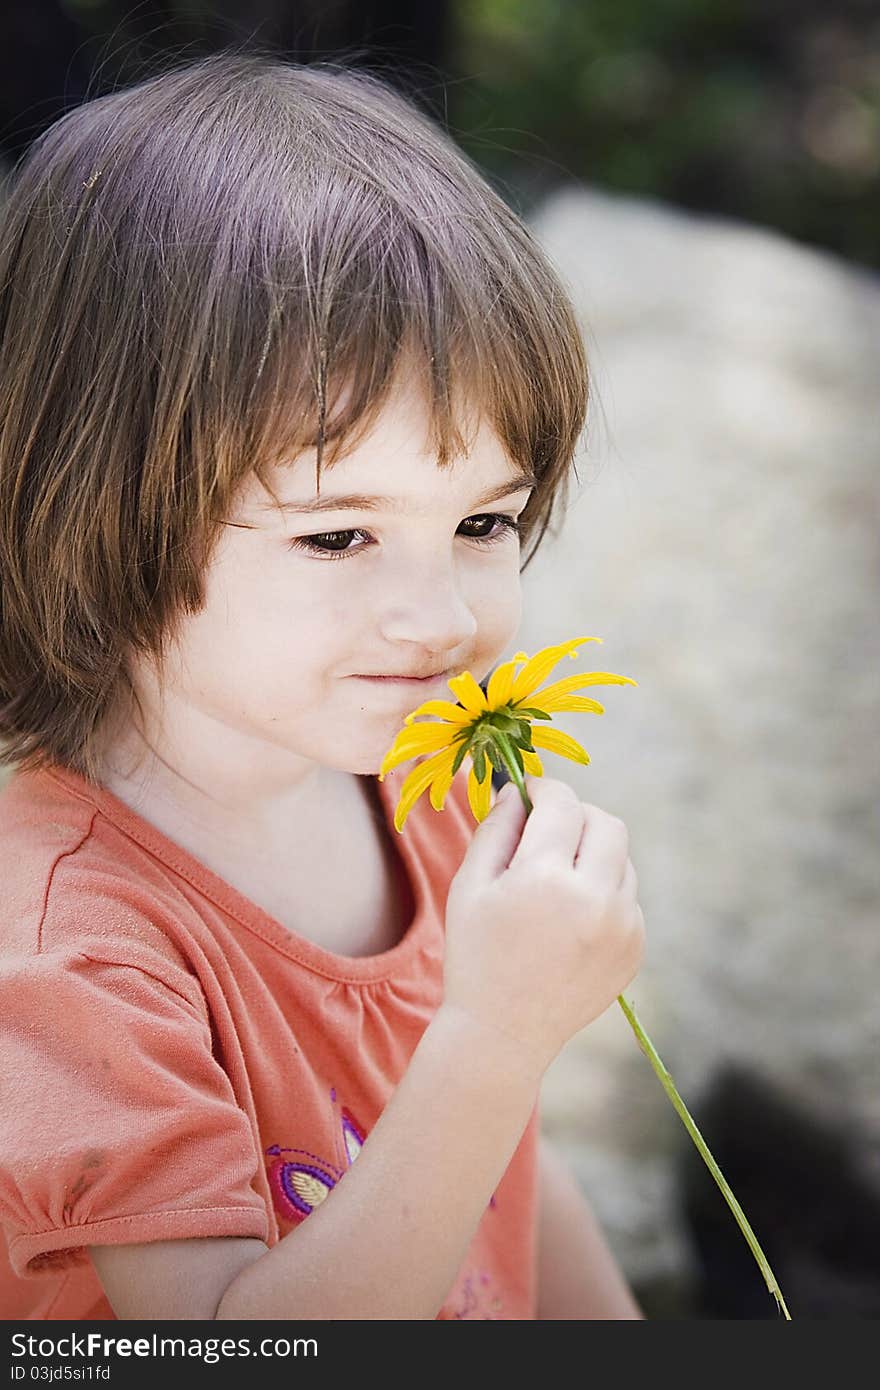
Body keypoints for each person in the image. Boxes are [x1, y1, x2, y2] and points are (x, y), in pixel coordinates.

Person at [0, 48, 645, 1320]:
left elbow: (508, 1172)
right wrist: (496, 1035)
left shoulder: (423, 781)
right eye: (337, 536)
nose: (445, 619)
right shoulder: (64, 948)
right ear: (101, 510)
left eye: (483, 523)